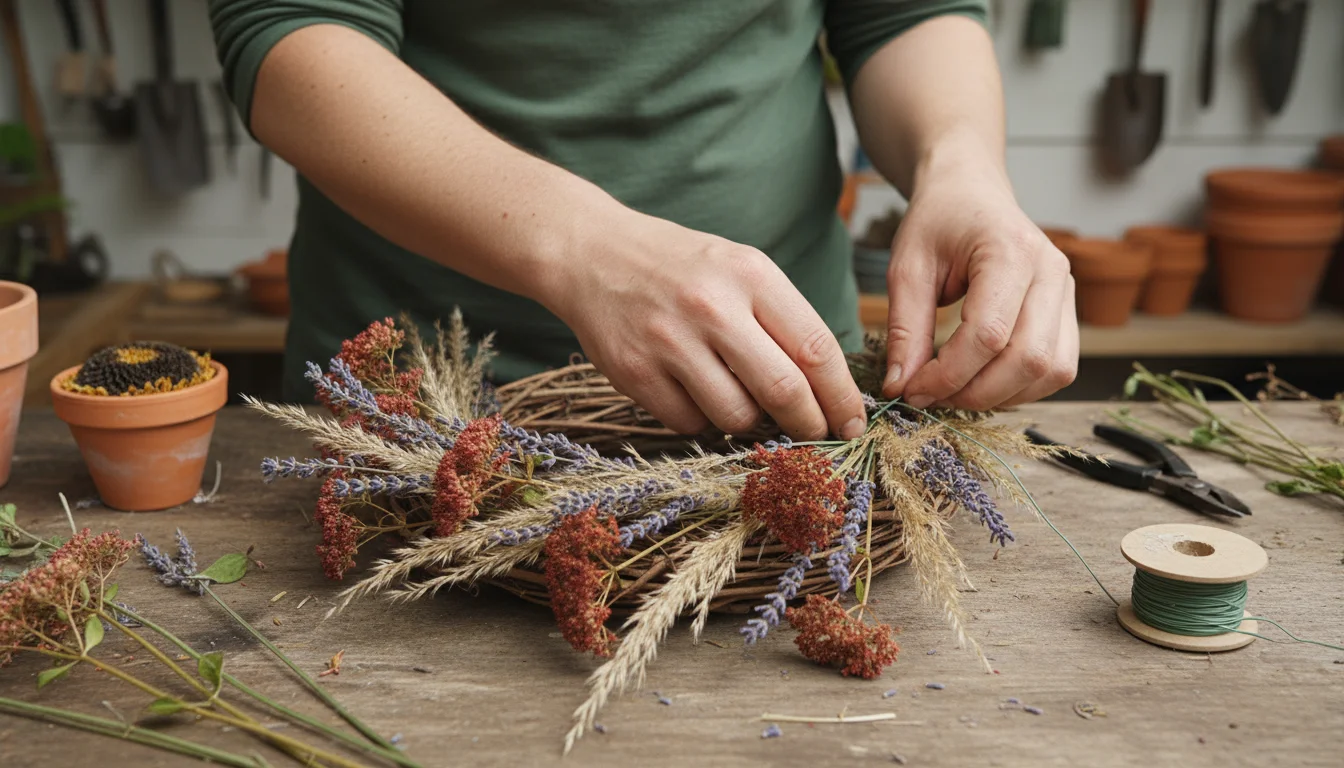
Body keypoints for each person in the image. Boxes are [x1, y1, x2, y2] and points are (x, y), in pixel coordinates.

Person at [208, 0, 1077, 442]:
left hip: (785, 391)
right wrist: (587, 247)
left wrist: (962, 165)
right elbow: (290, 34)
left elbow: (901, 15)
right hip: (419, 406)